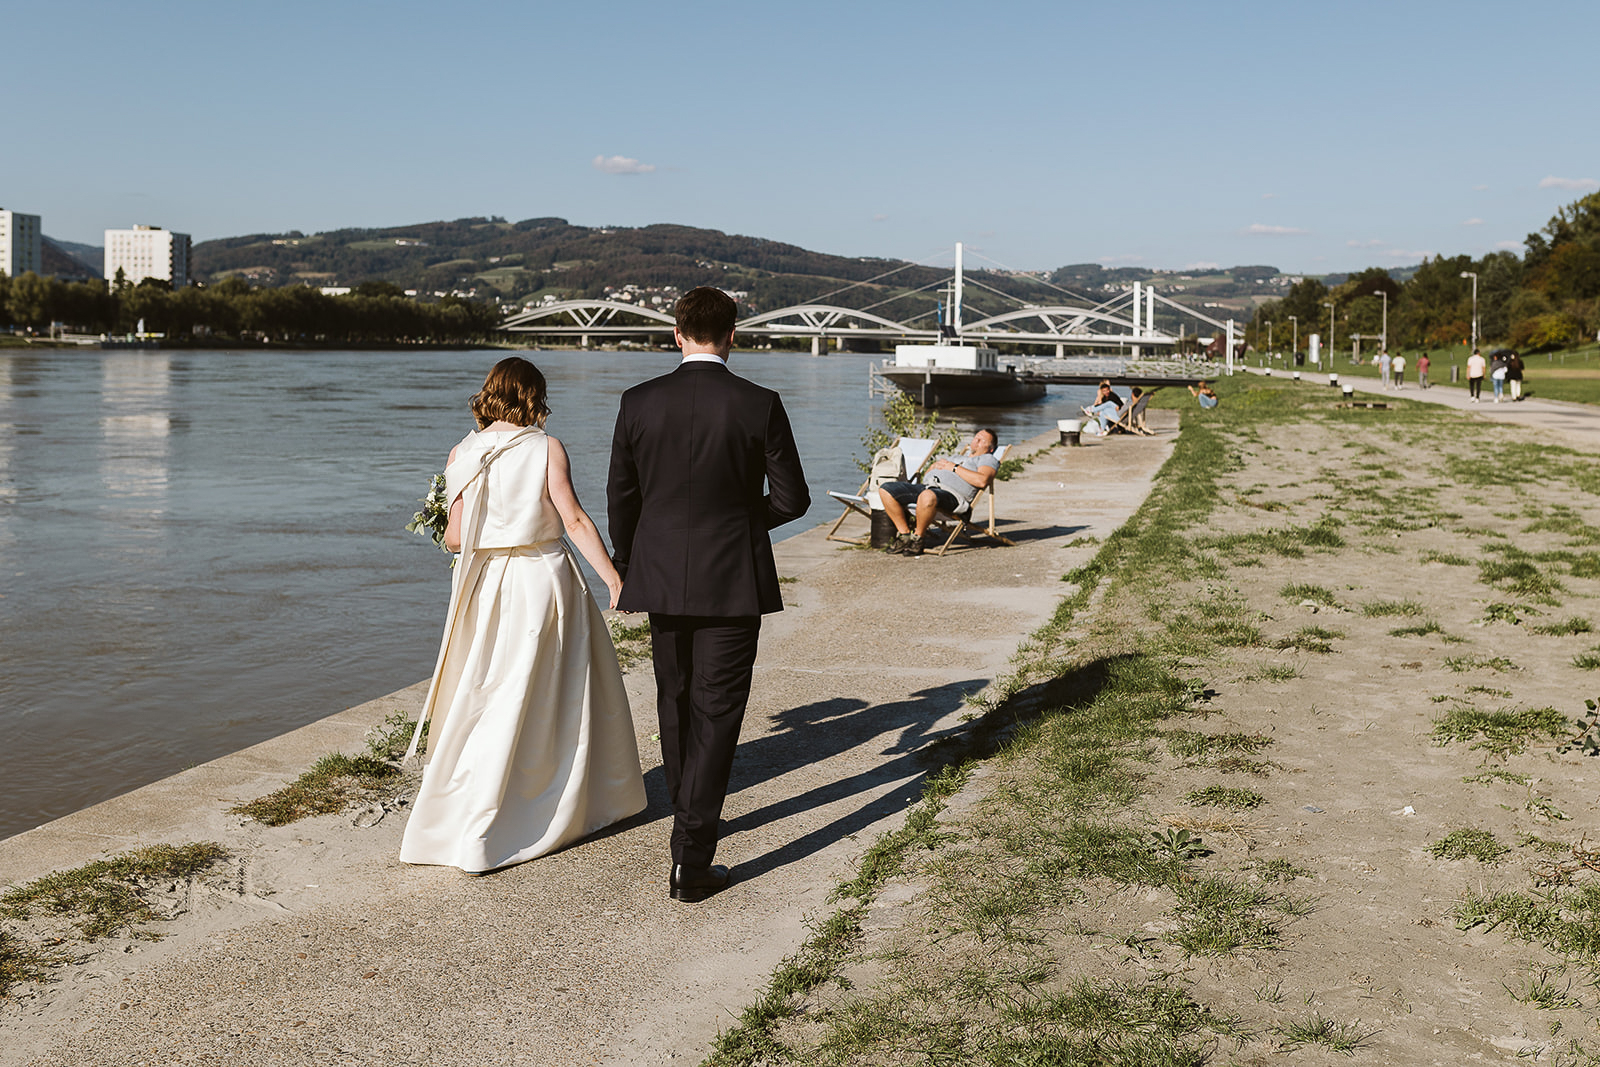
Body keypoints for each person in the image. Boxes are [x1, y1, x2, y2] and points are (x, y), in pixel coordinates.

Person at [400, 358, 646, 873]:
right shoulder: (545, 447)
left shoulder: (462, 452)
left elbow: (454, 537)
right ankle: (555, 798)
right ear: (534, 395)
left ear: (489, 393)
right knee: (550, 691)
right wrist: (614, 579)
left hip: (484, 584)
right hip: (540, 579)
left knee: (486, 690)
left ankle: (466, 811)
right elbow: (574, 519)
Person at [607, 287, 810, 903]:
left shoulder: (638, 402)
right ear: (732, 336)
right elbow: (792, 498)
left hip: (662, 575)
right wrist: (744, 524)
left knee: (674, 698)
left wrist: (633, 561)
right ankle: (692, 854)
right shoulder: (760, 403)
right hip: (732, 577)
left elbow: (622, 497)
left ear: (676, 333)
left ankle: (687, 817)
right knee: (718, 709)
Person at [876, 429, 1000, 556]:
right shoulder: (957, 457)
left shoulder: (988, 459)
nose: (977, 441)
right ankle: (905, 535)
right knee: (886, 489)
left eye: (982, 440)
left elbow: (982, 480)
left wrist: (954, 468)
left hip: (953, 497)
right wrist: (933, 467)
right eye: (976, 438)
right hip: (929, 487)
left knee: (927, 495)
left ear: (990, 448)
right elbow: (927, 475)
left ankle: (918, 538)